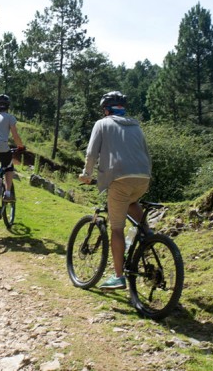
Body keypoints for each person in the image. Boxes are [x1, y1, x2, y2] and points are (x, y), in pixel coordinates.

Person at [78, 91, 151, 290]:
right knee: (131, 202)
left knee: (116, 228)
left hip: (119, 179)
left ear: (106, 109)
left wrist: (87, 174)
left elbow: (92, 152)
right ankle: (148, 236)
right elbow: (145, 152)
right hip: (143, 177)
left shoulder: (102, 124)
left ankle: (118, 277)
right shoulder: (136, 125)